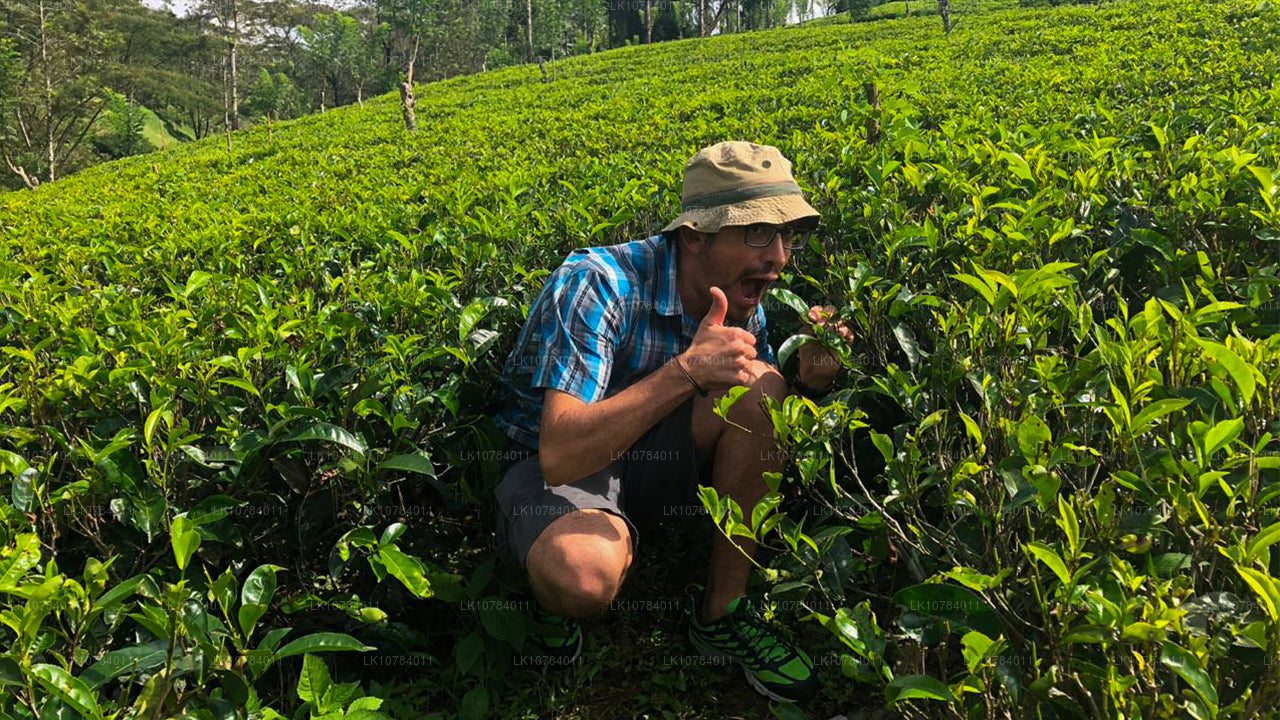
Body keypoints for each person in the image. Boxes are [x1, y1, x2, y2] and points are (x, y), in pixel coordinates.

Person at [491, 140, 852, 704]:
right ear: (695, 236)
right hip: (558, 467)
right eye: (758, 232)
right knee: (581, 576)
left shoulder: (751, 296)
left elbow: (775, 399)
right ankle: (548, 585)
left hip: (656, 454)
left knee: (765, 388)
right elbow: (559, 452)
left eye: (787, 237)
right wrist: (685, 372)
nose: (779, 257)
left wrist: (812, 376)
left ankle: (721, 616)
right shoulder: (599, 283)